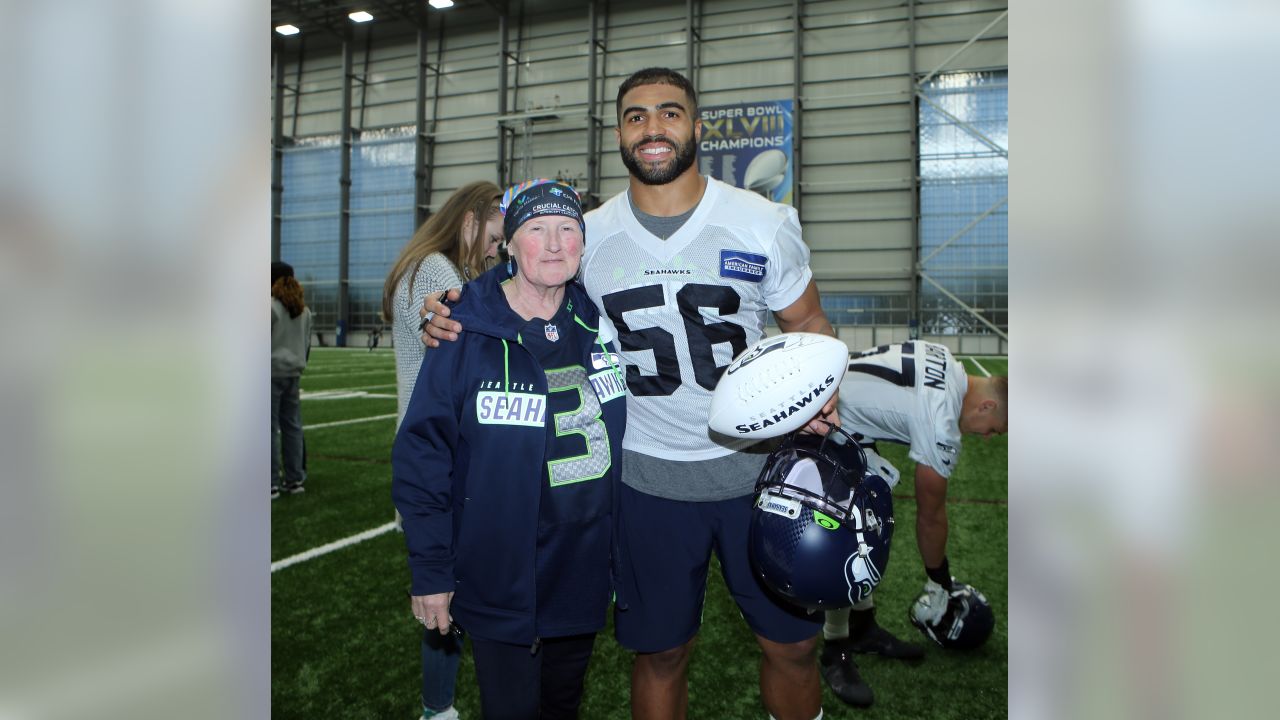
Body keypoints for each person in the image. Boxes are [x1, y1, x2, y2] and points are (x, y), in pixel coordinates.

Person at [422, 68, 837, 720]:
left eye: (670, 114)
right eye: (637, 116)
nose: (653, 128)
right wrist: (451, 307)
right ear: (619, 133)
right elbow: (511, 297)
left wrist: (822, 390)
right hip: (646, 482)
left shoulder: (762, 222)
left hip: (761, 477)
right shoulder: (587, 237)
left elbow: (808, 324)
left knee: (791, 648)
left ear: (698, 128)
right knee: (661, 654)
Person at [392, 179, 626, 720]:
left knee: (563, 705)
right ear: (509, 244)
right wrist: (430, 571)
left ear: (582, 244)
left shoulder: (600, 323)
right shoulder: (461, 327)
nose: (552, 244)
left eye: (567, 229)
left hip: (581, 571)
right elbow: (423, 453)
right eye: (536, 230)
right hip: (501, 574)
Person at [818, 341, 1008, 708]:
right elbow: (931, 515)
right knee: (845, 536)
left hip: (837, 400)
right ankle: (835, 647)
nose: (987, 437)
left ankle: (862, 627)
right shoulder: (942, 420)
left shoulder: (946, 358)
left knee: (870, 517)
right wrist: (940, 579)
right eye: (995, 429)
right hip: (826, 415)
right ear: (988, 406)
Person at [382, 180, 504, 720]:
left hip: (436, 454)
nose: (497, 250)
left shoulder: (429, 265)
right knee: (444, 597)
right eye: (496, 238)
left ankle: (440, 705)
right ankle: (439, 709)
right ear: (471, 220)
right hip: (440, 459)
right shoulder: (436, 272)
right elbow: (446, 328)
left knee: (449, 593)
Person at [271, 261, 313, 499]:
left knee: (268, 430)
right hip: (293, 373)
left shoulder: (270, 307)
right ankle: (295, 479)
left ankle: (270, 483)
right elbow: (306, 345)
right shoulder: (303, 310)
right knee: (292, 428)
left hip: (270, 373)